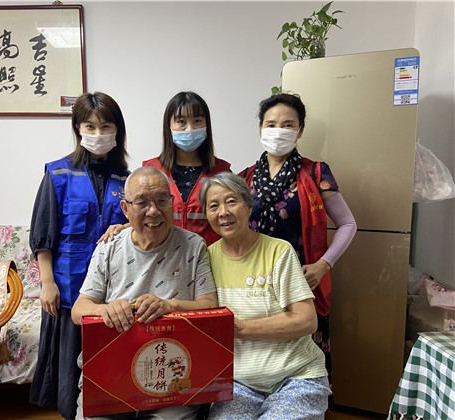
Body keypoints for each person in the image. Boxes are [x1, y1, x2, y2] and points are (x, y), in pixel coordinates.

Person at [71, 166, 218, 420]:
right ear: (126, 209)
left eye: (161, 200)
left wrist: (171, 306)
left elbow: (210, 306)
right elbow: (78, 310)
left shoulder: (194, 246)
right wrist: (106, 309)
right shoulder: (108, 247)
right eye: (142, 202)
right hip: (112, 372)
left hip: (173, 375)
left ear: (171, 203)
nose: (153, 211)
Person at [239, 92, 356, 380]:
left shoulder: (315, 173)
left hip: (302, 283)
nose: (278, 131)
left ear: (300, 130)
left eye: (288, 125)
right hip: (256, 284)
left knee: (305, 360)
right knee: (259, 356)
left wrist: (323, 265)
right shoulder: (244, 178)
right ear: (260, 129)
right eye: (271, 124)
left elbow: (347, 224)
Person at [29, 92, 131, 420]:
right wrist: (47, 283)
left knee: (108, 368)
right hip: (68, 287)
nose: (98, 134)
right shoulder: (58, 173)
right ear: (78, 128)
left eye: (106, 126)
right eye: (90, 126)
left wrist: (125, 226)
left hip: (112, 290)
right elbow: (43, 233)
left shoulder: (127, 179)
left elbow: (140, 228)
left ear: (117, 130)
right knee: (69, 375)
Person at [199, 171, 332, 419]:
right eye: (213, 206)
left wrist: (240, 328)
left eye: (231, 201)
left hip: (296, 377)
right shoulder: (205, 258)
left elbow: (306, 321)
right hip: (238, 385)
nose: (223, 212)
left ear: (249, 206)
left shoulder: (278, 251)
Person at [100, 91, 230, 246]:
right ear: (169, 126)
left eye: (197, 121)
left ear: (207, 125)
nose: (189, 128)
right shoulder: (151, 172)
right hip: (164, 256)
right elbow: (145, 217)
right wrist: (124, 228)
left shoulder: (222, 172)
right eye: (181, 121)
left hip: (208, 256)